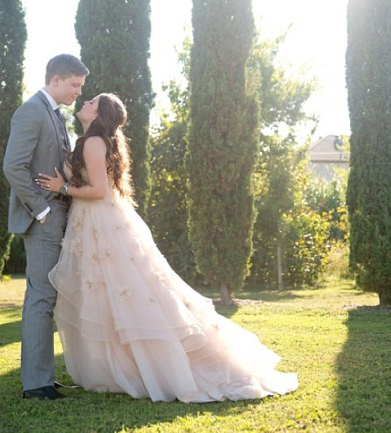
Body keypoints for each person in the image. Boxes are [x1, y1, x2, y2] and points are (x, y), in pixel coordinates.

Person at [36, 93, 298, 403]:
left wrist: (61, 187)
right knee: (111, 295)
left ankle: (144, 366)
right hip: (96, 223)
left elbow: (98, 190)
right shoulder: (94, 141)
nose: (86, 102)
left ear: (100, 113)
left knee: (124, 294)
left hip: (100, 226)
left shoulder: (94, 143)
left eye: (92, 101)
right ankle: (115, 367)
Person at [3, 54, 89, 400]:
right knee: (40, 297)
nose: (78, 93)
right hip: (43, 220)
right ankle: (35, 384)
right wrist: (41, 212)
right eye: (74, 85)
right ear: (56, 80)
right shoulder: (31, 111)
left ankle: (43, 377)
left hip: (58, 215)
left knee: (48, 297)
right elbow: (13, 167)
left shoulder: (54, 113)